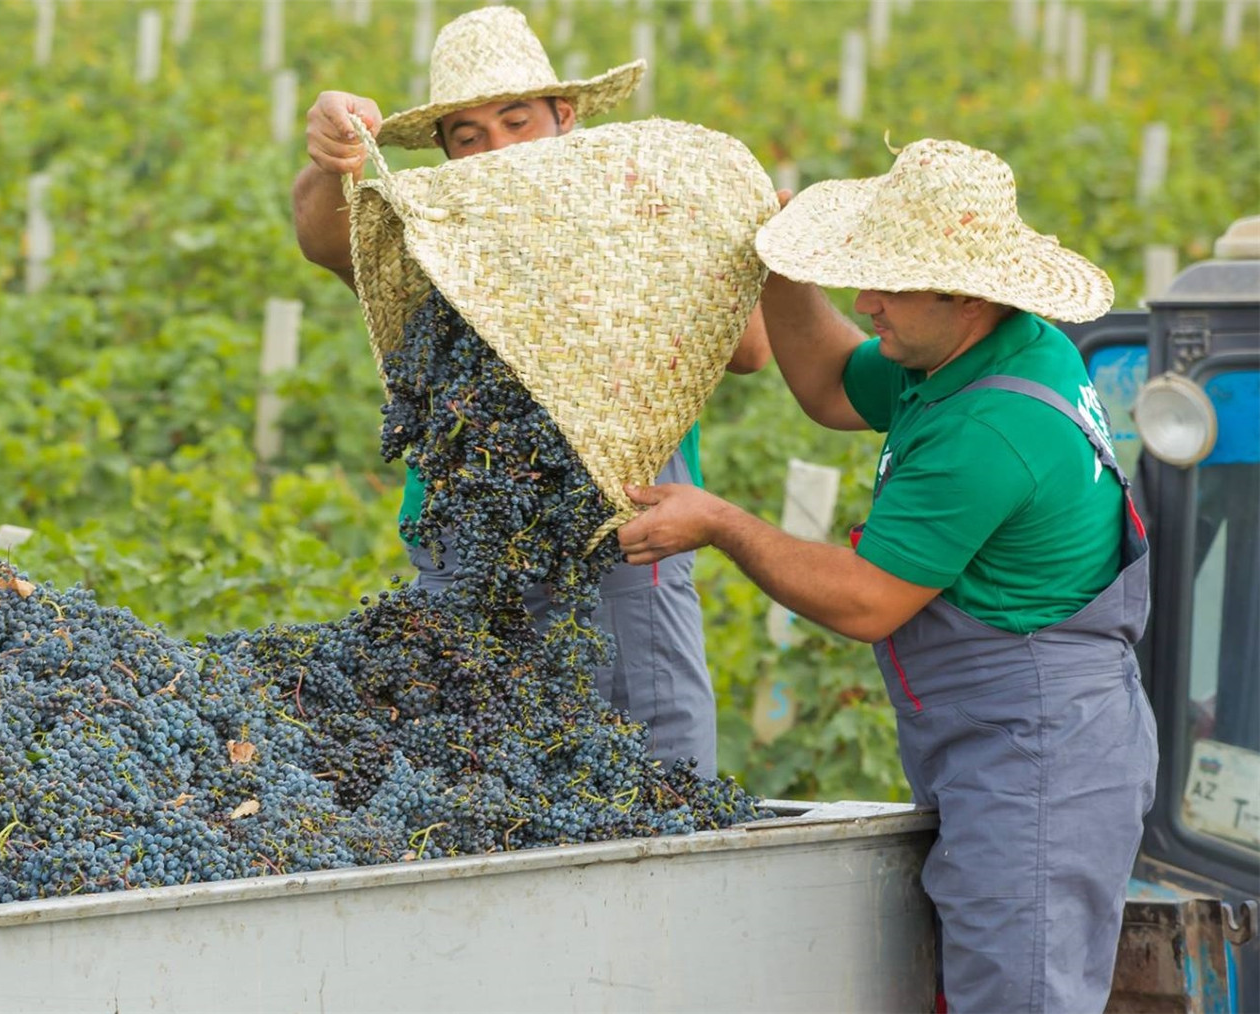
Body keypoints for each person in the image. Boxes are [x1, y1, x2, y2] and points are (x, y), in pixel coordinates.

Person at [614, 139, 1157, 1012]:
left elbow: (867, 600)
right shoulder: (968, 352)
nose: (864, 304)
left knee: (1019, 996)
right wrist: (782, 268)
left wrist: (720, 522)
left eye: (887, 286)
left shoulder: (990, 427)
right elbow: (831, 386)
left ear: (968, 292)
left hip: (1039, 751)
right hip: (1002, 732)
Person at [291, 5, 770, 777]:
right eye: (469, 137)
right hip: (466, 543)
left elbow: (747, 350)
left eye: (517, 123)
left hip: (624, 535)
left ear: (566, 119)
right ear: (446, 153)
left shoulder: (635, 216)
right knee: (483, 786)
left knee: (655, 779)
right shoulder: (432, 231)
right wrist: (331, 161)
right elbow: (324, 239)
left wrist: (700, 234)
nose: (497, 150)